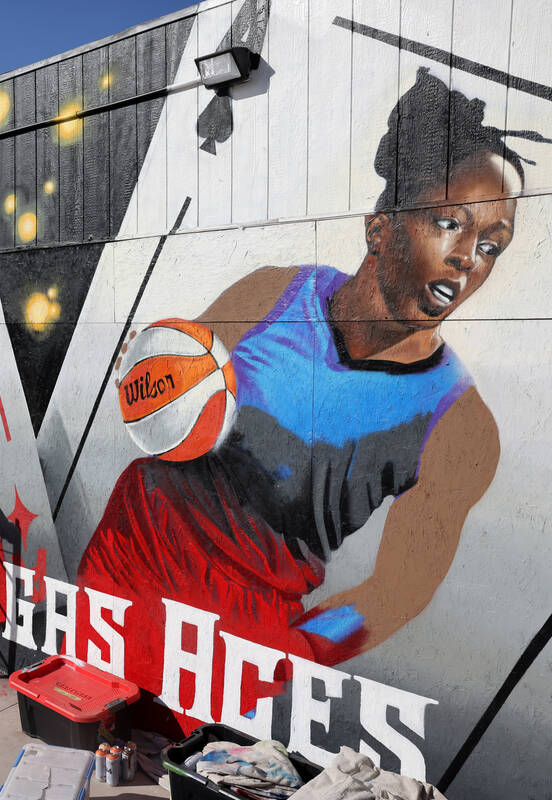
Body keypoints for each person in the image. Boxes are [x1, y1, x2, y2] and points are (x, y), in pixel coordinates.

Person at [74, 68, 548, 728]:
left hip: (243, 623)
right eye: (450, 223)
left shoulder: (461, 427)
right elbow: (171, 398)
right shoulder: (272, 293)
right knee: (95, 735)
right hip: (135, 551)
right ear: (378, 227)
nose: (471, 257)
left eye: (493, 243)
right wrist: (145, 366)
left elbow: (401, 586)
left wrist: (295, 650)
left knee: (186, 774)